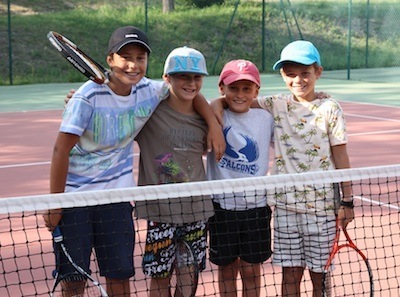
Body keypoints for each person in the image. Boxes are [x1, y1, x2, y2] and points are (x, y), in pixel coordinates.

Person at [43, 26, 224, 296]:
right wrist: (55, 203)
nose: (133, 64)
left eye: (140, 58)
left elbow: (190, 89)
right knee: (74, 280)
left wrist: (213, 124)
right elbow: (60, 151)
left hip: (116, 202)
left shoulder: (148, 91)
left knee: (119, 278)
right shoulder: (86, 98)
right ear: (110, 60)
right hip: (75, 202)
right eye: (126, 57)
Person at [211, 40, 354, 297]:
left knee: (320, 276)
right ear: (282, 75)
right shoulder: (276, 105)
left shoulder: (330, 109)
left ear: (317, 73)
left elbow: (341, 156)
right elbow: (230, 99)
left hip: (321, 210)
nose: (298, 79)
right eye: (290, 73)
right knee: (289, 276)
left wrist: (348, 201)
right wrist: (214, 110)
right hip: (285, 209)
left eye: (305, 73)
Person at [134, 46, 214, 297]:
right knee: (160, 278)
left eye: (196, 77)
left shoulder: (206, 117)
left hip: (197, 210)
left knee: (189, 279)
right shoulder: (148, 112)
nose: (191, 83)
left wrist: (214, 123)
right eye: (183, 76)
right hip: (160, 212)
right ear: (167, 78)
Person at [206, 60, 274, 297]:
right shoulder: (212, 114)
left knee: (252, 271)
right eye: (233, 88)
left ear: (256, 91)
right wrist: (217, 104)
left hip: (256, 208)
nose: (240, 94)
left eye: (247, 89)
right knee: (226, 270)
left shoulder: (266, 118)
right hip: (221, 209)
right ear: (221, 88)